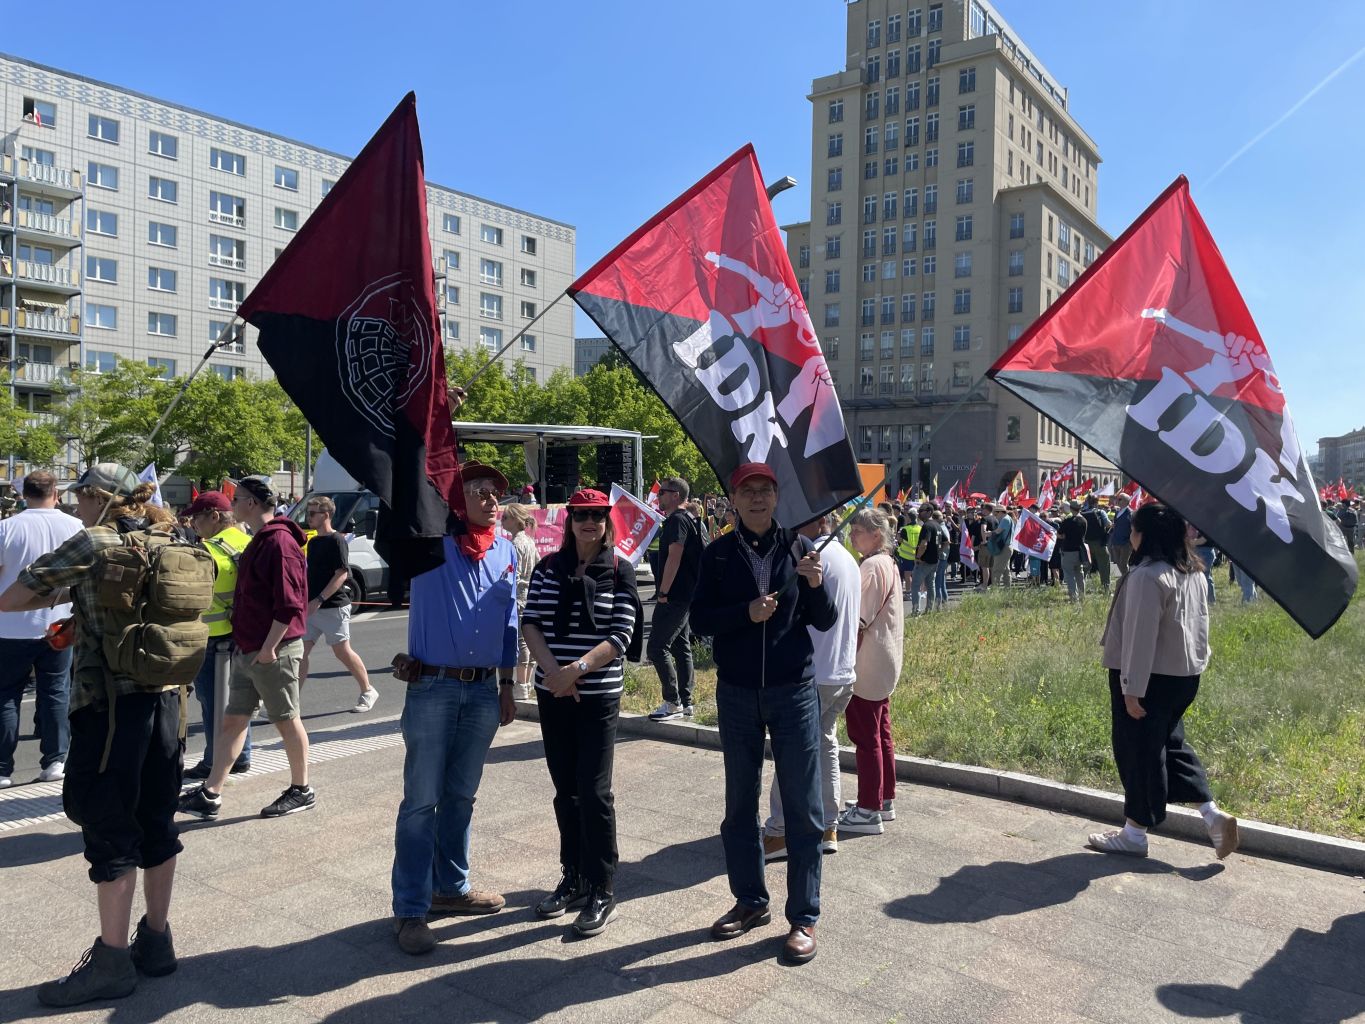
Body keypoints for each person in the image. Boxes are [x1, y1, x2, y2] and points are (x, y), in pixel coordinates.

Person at [0, 466, 184, 1006]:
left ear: (95, 498)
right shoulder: (170, 535)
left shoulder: (95, 541)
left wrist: (68, 597)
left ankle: (111, 963)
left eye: (80, 499)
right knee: (158, 821)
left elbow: (13, 597)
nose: (75, 508)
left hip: (109, 709)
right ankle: (157, 941)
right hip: (169, 700)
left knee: (109, 826)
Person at [691, 463, 836, 966]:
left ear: (777, 498)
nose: (757, 498)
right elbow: (699, 620)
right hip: (736, 693)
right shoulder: (716, 554)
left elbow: (825, 620)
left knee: (802, 807)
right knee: (739, 803)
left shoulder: (800, 549)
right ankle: (750, 901)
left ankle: (804, 917)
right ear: (733, 499)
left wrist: (815, 584)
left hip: (792, 691)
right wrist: (744, 614)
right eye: (747, 490)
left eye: (765, 490)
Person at [388, 462, 518, 956]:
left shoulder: (506, 550)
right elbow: (406, 500)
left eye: (496, 492)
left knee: (461, 796)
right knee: (422, 801)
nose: (491, 499)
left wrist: (507, 684)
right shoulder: (431, 544)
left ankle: (451, 888)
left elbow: (509, 619)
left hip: (484, 691)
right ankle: (410, 909)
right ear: (455, 499)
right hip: (433, 687)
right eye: (478, 490)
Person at [1087, 503, 1239, 861]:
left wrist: (1131, 688)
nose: (1130, 536)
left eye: (1133, 530)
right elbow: (1201, 625)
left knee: (1139, 751)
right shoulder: (1192, 571)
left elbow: (1140, 638)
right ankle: (1212, 814)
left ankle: (1134, 833)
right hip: (1184, 674)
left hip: (1149, 676)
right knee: (1170, 744)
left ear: (1145, 535)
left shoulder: (1148, 576)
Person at [522, 489, 640, 937]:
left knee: (594, 793)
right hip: (554, 692)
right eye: (581, 515)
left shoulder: (620, 570)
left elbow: (622, 634)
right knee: (565, 792)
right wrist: (555, 674)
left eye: (596, 515)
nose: (589, 522)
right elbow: (531, 622)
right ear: (569, 521)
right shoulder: (548, 568)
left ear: (607, 522)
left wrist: (577, 670)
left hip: (597, 696)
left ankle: (603, 888)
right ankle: (573, 877)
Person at [178, 476, 312, 821]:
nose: (231, 504)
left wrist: (269, 648)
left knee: (287, 720)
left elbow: (289, 604)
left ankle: (302, 789)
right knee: (233, 721)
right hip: (250, 648)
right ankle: (211, 793)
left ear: (252, 503)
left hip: (272, 650)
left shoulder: (279, 541)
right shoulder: (260, 539)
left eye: (236, 499)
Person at [763, 510, 859, 861]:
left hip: (814, 673)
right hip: (841, 670)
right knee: (825, 746)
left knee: (792, 752)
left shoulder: (811, 559)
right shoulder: (846, 558)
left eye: (798, 519)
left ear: (820, 522)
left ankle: (779, 831)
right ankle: (828, 825)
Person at [0, 471, 83, 788]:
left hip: (10, 625)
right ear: (56, 494)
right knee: (56, 692)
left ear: (24, 495)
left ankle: (2, 768)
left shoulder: (7, 527)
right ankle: (55, 760)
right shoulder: (75, 527)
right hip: (59, 623)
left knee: (6, 695)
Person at [837, 508, 904, 835]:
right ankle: (883, 798)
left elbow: (857, 620)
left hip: (867, 663)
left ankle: (868, 810)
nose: (851, 536)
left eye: (857, 531)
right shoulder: (887, 562)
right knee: (880, 733)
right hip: (884, 660)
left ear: (876, 535)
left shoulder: (872, 566)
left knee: (866, 738)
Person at [183, 491, 253, 779]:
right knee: (240, 701)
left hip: (213, 636)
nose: (193, 524)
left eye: (196, 518)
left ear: (214, 516)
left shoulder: (208, 551)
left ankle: (215, 760)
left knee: (212, 704)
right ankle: (241, 756)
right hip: (245, 634)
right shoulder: (249, 541)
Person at [299, 496, 378, 713]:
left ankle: (368, 690)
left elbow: (342, 574)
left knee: (342, 651)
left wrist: (320, 599)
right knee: (300, 653)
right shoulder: (313, 542)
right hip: (312, 607)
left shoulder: (337, 540)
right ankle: (291, 704)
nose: (308, 517)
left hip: (333, 606)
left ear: (326, 515)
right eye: (308, 512)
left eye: (312, 513)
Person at [648, 477, 703, 722]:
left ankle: (672, 703)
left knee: (656, 647)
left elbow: (674, 556)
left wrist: (663, 592)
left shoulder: (677, 520)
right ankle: (686, 702)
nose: (658, 496)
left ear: (675, 496)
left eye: (662, 492)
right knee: (681, 647)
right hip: (686, 593)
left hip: (675, 595)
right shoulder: (688, 518)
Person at [501, 503, 539, 700]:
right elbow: (538, 566)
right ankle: (526, 683)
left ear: (516, 520)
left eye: (505, 517)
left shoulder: (515, 544)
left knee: (521, 640)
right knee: (530, 639)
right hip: (530, 594)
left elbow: (512, 574)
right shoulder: (529, 542)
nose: (502, 521)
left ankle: (521, 684)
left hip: (518, 596)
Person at [1057, 501, 1089, 602]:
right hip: (1080, 551)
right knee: (1079, 574)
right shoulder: (1084, 520)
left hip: (1068, 551)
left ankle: (1074, 598)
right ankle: (1082, 597)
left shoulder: (1068, 521)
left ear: (1071, 508)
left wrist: (1064, 536)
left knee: (1070, 575)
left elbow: (1059, 534)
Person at [1082, 495, 1113, 593]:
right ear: (1097, 502)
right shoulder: (1100, 512)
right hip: (1099, 543)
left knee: (1085, 566)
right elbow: (1108, 524)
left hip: (1086, 543)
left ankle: (1081, 587)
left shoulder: (1082, 513)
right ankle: (1106, 588)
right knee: (1104, 565)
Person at [895, 508, 920, 595]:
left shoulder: (904, 529)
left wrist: (898, 535)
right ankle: (917, 591)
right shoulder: (920, 528)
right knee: (916, 575)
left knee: (907, 575)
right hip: (917, 555)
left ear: (908, 518)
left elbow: (899, 540)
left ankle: (908, 592)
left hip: (906, 556)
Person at [1108, 493, 1133, 576]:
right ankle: (1122, 580)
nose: (1117, 501)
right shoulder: (1117, 512)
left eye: (1120, 499)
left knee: (1123, 564)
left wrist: (1130, 542)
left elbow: (1133, 528)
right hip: (1116, 542)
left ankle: (1127, 580)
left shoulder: (1130, 513)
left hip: (1125, 543)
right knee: (1117, 564)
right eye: (1117, 499)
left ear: (1126, 501)